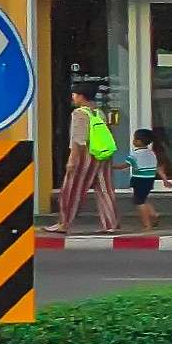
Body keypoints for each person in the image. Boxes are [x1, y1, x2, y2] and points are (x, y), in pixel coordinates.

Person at [58, 89, 119, 237]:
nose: (73, 97)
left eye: (74, 94)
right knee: (105, 190)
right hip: (102, 156)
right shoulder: (99, 113)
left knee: (71, 189)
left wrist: (71, 160)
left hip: (86, 156)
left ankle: (64, 223)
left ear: (81, 96)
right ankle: (111, 224)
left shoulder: (79, 114)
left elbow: (78, 140)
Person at [123, 123, 165, 234]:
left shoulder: (135, 154)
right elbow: (157, 167)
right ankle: (153, 213)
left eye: (135, 139)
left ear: (139, 142)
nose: (133, 141)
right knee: (143, 199)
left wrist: (113, 167)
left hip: (139, 180)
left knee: (139, 202)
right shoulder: (151, 153)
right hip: (149, 179)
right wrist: (164, 179)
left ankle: (147, 225)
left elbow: (126, 165)